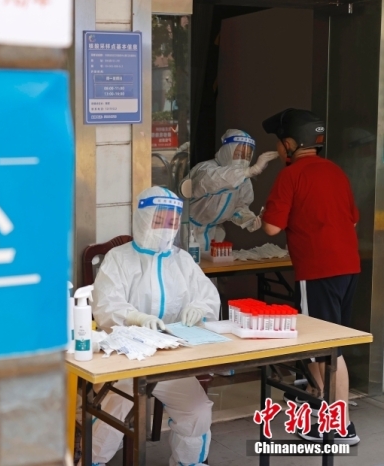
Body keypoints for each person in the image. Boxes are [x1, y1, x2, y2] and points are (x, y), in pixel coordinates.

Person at [91, 186, 220, 466]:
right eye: (159, 220)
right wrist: (136, 318)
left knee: (197, 411)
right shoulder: (119, 258)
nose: (165, 229)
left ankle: (189, 462)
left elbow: (208, 296)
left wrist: (200, 308)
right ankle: (92, 460)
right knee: (112, 413)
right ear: (142, 218)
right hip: (127, 359)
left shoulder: (182, 260)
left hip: (171, 359)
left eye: (172, 222)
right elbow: (106, 306)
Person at [261, 108, 360, 445]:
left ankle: (340, 426)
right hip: (348, 268)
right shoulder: (335, 171)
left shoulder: (291, 175)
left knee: (327, 348)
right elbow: (353, 219)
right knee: (325, 344)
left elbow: (271, 227)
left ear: (290, 143)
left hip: (318, 270)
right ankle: (324, 404)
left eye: (279, 143)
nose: (277, 150)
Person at [189, 129, 279, 252]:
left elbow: (237, 207)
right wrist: (249, 171)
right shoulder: (206, 168)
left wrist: (249, 220)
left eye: (247, 156)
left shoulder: (243, 179)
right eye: (238, 154)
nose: (243, 160)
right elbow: (212, 181)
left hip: (212, 234)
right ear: (227, 151)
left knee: (210, 263)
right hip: (187, 232)